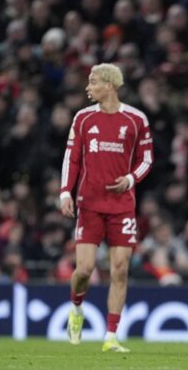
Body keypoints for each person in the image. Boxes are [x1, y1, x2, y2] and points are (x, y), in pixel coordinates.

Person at [60, 63, 153, 352]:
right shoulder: (83, 118)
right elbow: (72, 158)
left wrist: (130, 179)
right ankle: (76, 308)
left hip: (122, 205)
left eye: (93, 82)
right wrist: (65, 192)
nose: (88, 87)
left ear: (109, 85)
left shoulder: (136, 119)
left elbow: (147, 159)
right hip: (89, 204)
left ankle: (110, 336)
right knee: (85, 269)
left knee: (120, 270)